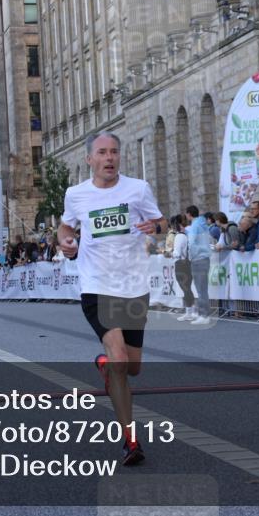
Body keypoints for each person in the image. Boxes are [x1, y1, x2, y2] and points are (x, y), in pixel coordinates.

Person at [58, 132, 165, 466]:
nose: (109, 158)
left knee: (132, 368)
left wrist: (155, 228)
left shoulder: (138, 189)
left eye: (115, 152)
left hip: (133, 285)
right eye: (102, 153)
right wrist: (66, 243)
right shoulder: (76, 194)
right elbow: (64, 228)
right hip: (97, 285)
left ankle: (106, 368)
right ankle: (130, 440)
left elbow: (161, 221)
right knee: (119, 357)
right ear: (89, 159)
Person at [185, 205, 213, 325]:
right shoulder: (203, 224)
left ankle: (204, 315)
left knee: (201, 289)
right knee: (202, 288)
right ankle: (203, 313)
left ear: (189, 214)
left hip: (198, 258)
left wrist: (191, 256)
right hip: (204, 257)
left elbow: (191, 243)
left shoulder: (195, 226)